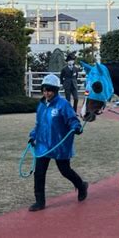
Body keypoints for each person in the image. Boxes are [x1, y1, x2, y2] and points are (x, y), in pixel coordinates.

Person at [28, 74, 87, 212]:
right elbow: (39, 124)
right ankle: (40, 201)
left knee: (65, 170)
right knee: (39, 173)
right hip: (43, 144)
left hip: (59, 144)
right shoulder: (41, 105)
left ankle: (81, 185)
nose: (46, 93)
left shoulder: (63, 104)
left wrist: (76, 127)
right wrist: (33, 136)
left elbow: (72, 119)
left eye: (49, 90)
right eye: (44, 90)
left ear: (55, 90)